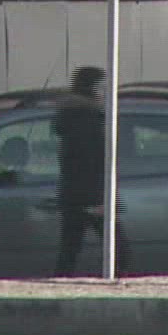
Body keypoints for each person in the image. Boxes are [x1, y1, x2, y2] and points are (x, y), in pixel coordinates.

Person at [52, 66, 129, 276]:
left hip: (75, 194)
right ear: (93, 88)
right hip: (89, 195)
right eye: (104, 87)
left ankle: (62, 287)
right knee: (119, 251)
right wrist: (98, 200)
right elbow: (87, 161)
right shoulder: (86, 119)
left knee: (70, 251)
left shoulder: (75, 116)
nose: (108, 92)